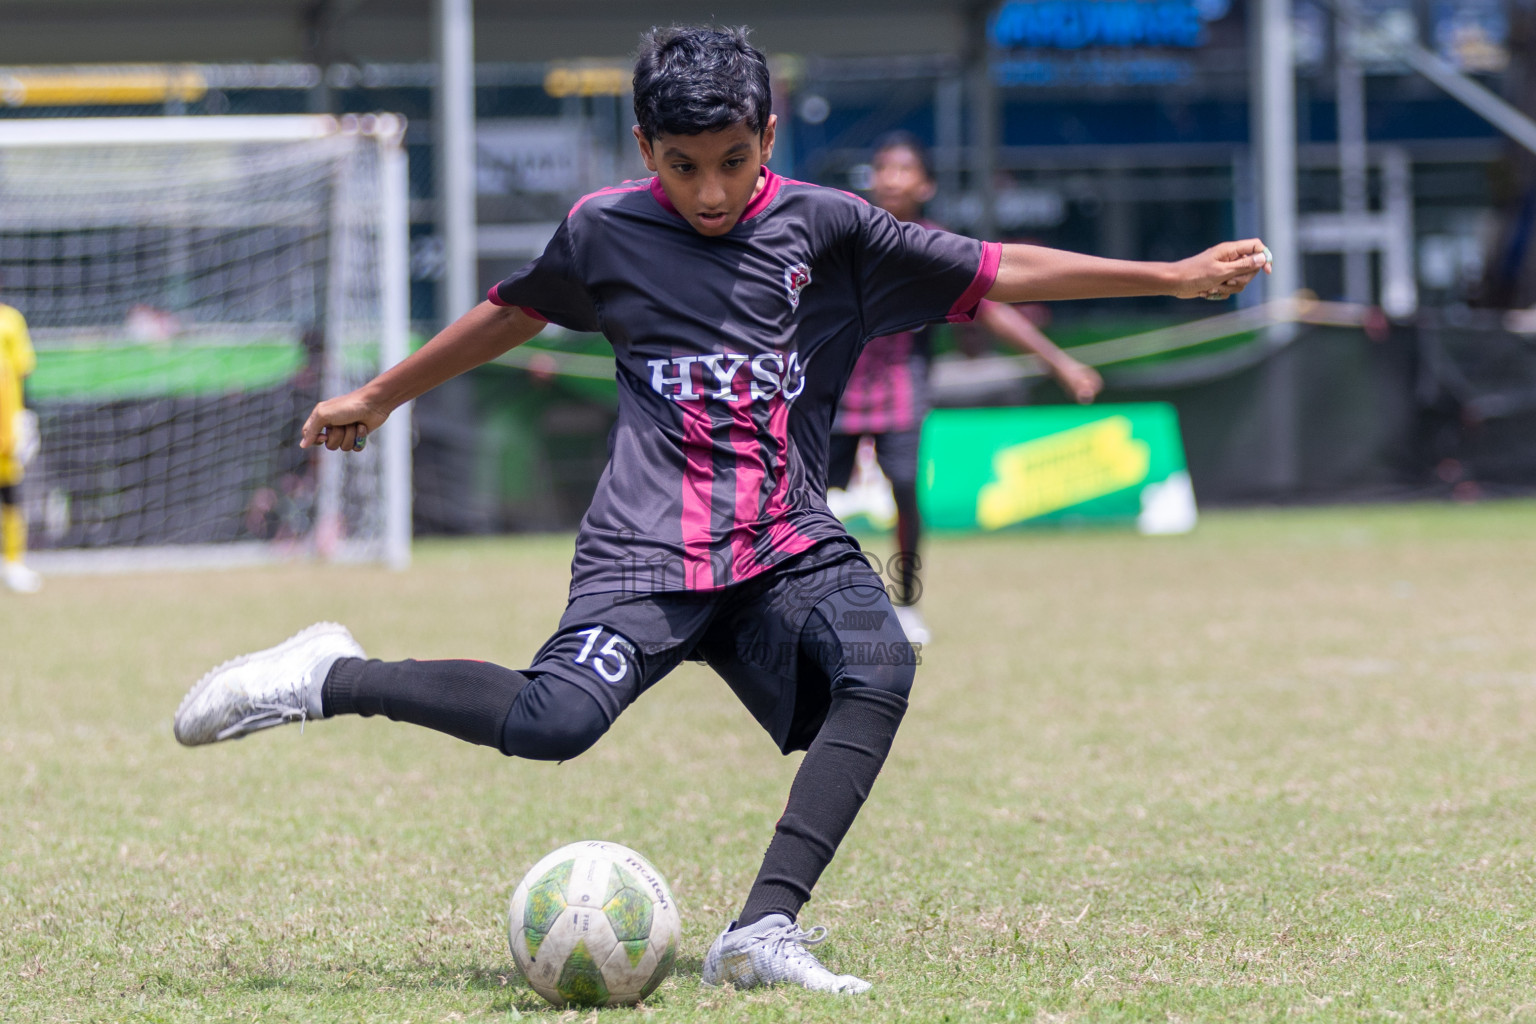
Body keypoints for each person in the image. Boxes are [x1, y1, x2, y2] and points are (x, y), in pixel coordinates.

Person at [172, 26, 1269, 996]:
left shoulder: (830, 229)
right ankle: (328, 674)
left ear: (770, 137)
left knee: (881, 663)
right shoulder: (603, 232)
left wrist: (1167, 276)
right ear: (645, 149)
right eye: (685, 166)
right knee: (554, 726)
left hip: (786, 542)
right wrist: (377, 395)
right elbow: (509, 315)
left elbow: (997, 268)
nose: (711, 191)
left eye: (734, 163)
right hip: (646, 549)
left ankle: (763, 928)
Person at [829, 133, 1103, 643]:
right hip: (835, 391)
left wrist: (1060, 364)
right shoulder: (845, 234)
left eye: (903, 169)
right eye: (882, 167)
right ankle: (802, 602)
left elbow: (994, 310)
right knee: (804, 501)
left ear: (926, 185)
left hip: (900, 390)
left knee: (906, 490)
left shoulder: (937, 248)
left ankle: (906, 603)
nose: (890, 177)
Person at [0, 290, 40, 594]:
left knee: (11, 494)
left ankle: (13, 563)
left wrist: (25, 416)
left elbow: (22, 373)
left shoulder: (11, 320)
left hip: (4, 430)